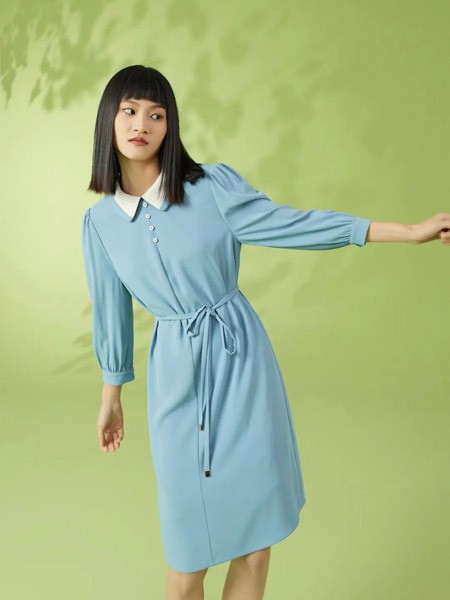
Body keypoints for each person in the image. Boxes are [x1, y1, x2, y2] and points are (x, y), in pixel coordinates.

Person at [81, 64, 450, 600]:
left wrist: (408, 231)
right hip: (174, 379)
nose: (142, 125)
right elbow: (111, 314)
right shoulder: (100, 224)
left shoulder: (211, 187)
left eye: (157, 115)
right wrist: (111, 396)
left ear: (170, 125)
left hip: (242, 366)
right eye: (130, 111)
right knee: (187, 562)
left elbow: (295, 225)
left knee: (255, 543)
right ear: (108, 120)